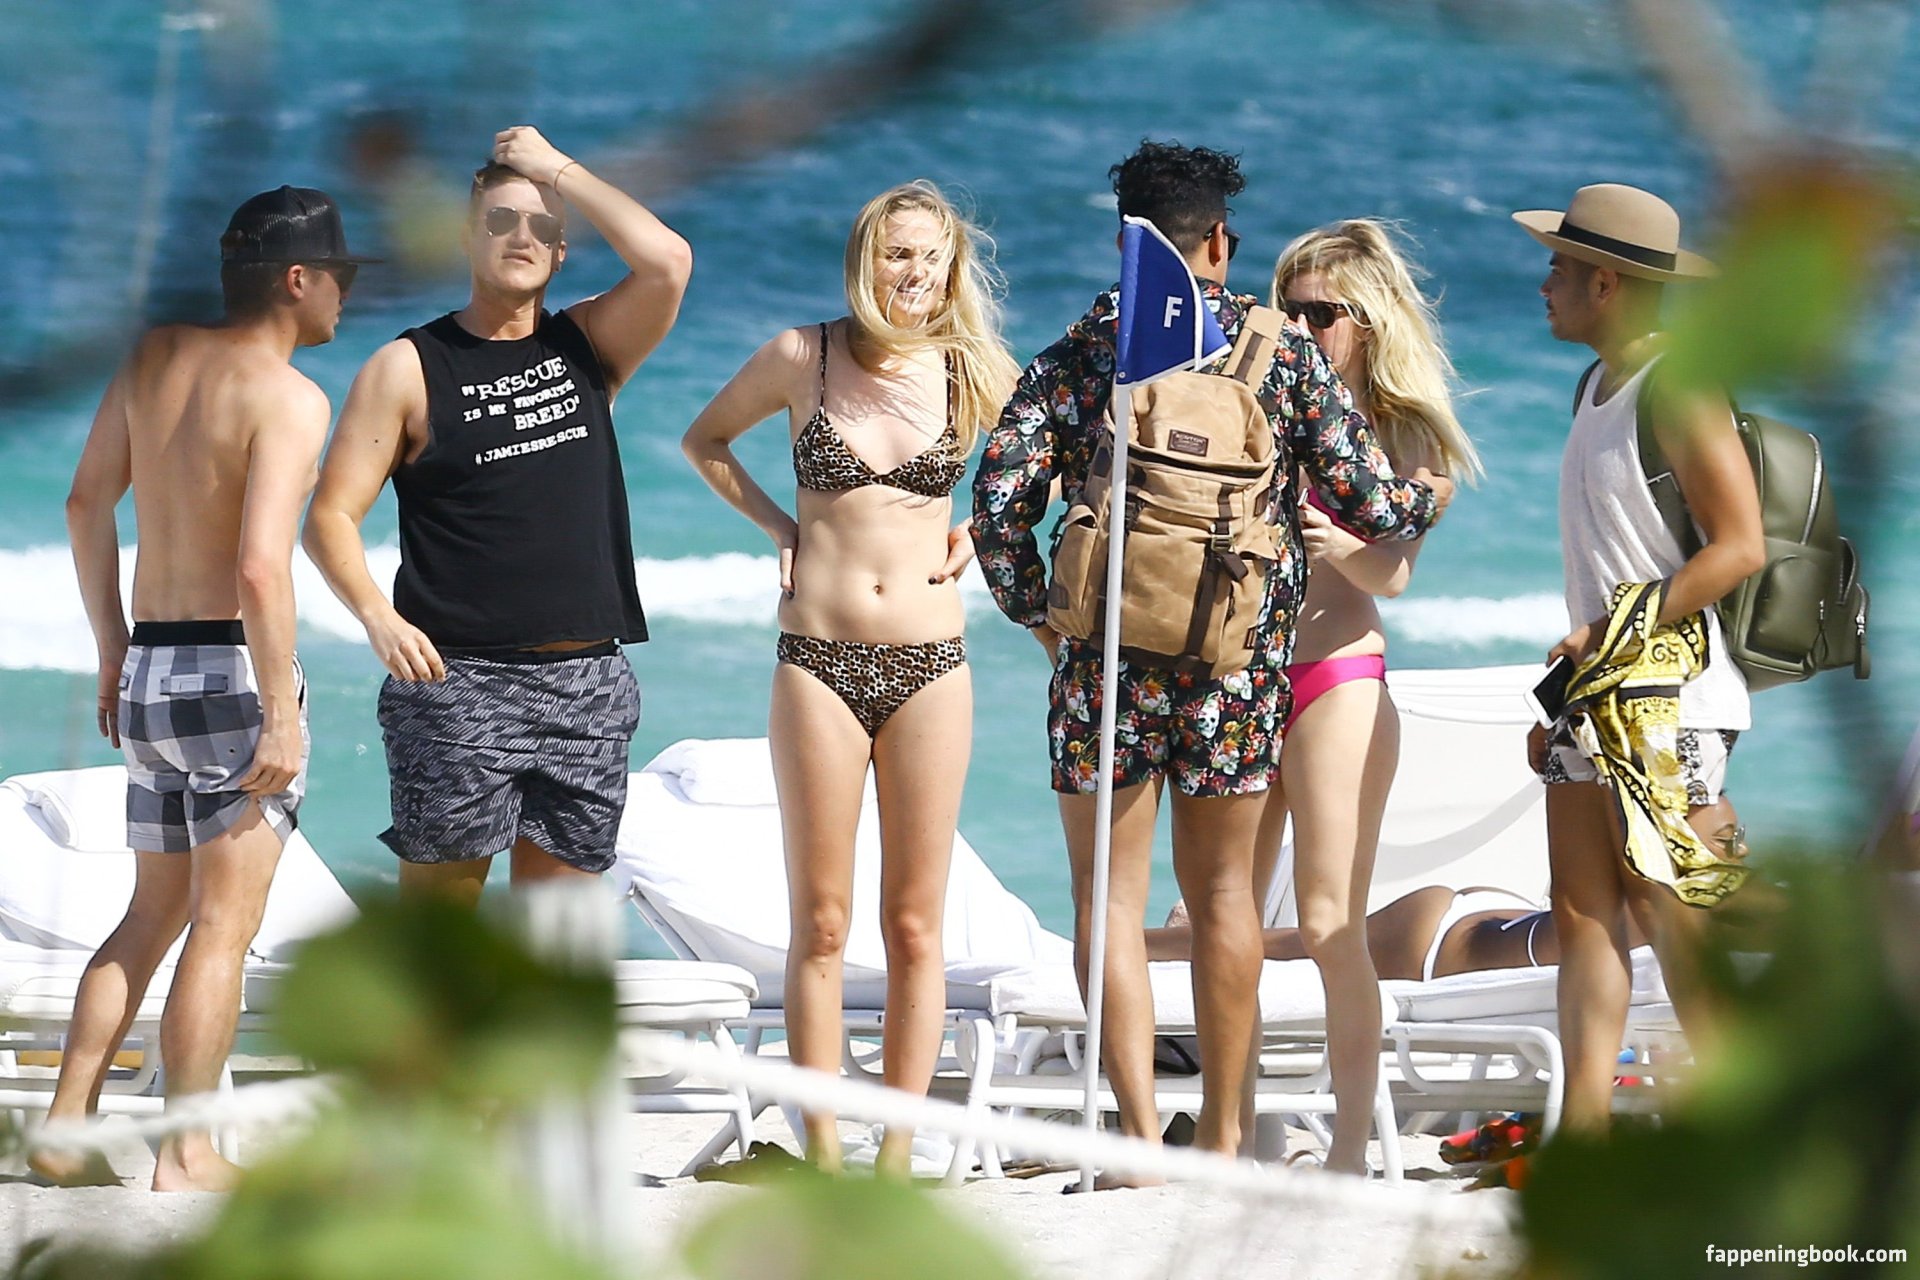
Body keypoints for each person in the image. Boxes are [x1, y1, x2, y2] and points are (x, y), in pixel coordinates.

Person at [972, 141, 1450, 1180]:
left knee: (1107, 899)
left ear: (1126, 240)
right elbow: (1373, 503)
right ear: (1219, 242)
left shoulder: (1084, 352)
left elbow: (998, 502)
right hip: (1234, 669)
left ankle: (1141, 1139)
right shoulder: (1278, 355)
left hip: (1105, 671)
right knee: (1227, 895)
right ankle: (1227, 1136)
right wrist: (1424, 500)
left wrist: (1044, 618)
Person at [681, 181, 1017, 1177]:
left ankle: (898, 1154)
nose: (913, 274)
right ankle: (825, 1155)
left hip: (932, 665)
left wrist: (983, 524)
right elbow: (704, 439)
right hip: (817, 663)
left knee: (915, 926)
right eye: (895, 254)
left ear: (951, 269)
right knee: (821, 924)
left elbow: (1063, 455)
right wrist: (781, 527)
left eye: (929, 257)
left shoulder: (968, 367)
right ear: (864, 260)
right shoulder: (804, 356)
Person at [32, 187, 362, 1190]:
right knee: (223, 924)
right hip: (230, 673)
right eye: (341, 275)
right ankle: (185, 1150)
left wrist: (112, 645)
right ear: (298, 280)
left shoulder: (153, 359)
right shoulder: (291, 398)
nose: (347, 294)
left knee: (150, 913)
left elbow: (85, 501)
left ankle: (65, 1128)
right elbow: (261, 566)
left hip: (149, 667)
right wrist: (280, 711)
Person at [304, 127, 691, 902]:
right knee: (442, 938)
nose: (522, 237)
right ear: (465, 235)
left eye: (543, 227)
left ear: (561, 253)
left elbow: (668, 261)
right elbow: (330, 515)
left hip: (587, 682)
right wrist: (380, 620)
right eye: (501, 220)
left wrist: (555, 168)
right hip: (458, 684)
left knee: (558, 939)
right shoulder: (408, 366)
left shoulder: (587, 346)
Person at [1515, 182, 1764, 1134]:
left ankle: (1744, 1128)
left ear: (1606, 284)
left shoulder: (1678, 386)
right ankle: (1582, 1140)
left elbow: (1740, 546)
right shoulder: (1594, 386)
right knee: (1581, 912)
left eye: (1558, 269)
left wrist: (1606, 635)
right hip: (1598, 696)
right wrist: (1568, 696)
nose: (1544, 285)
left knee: (1672, 912)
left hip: (1674, 699)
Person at [1254, 220, 1482, 1173]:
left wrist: (1337, 542)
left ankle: (1350, 1144)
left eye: (1323, 315)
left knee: (1325, 920)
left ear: (1369, 320)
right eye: (1288, 310)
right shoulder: (1260, 399)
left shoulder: (1407, 434)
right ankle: (1245, 1129)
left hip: (1337, 672)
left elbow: (1394, 575)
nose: (1302, 329)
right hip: (1242, 671)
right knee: (1224, 918)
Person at [1148, 886, 1637, 982]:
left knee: (1297, 942)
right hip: (1434, 940)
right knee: (1292, 947)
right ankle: (1144, 943)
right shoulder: (1651, 922)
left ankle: (1168, 936)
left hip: (1489, 919)